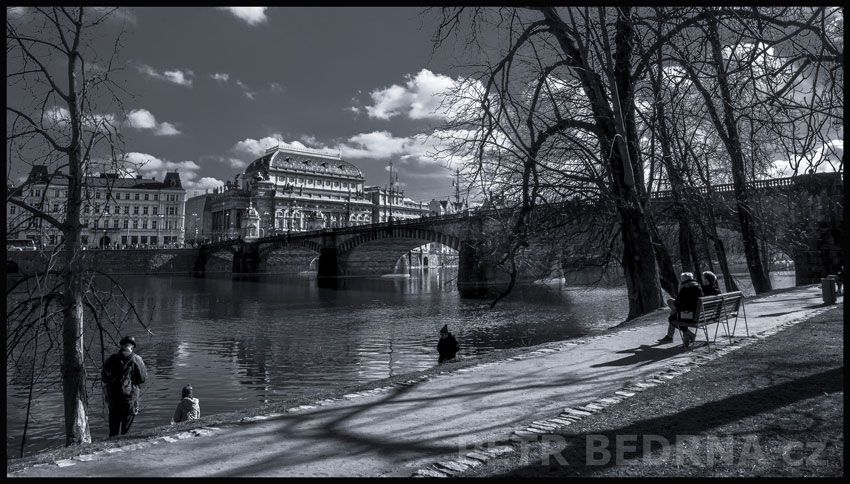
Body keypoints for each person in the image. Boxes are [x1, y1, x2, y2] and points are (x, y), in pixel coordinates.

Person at [101, 336, 148, 437]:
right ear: (132, 346)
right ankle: (122, 448)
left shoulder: (111, 359)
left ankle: (109, 449)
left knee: (113, 430)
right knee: (126, 431)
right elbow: (142, 379)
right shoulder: (136, 359)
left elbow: (104, 378)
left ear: (121, 346)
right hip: (130, 399)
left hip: (113, 398)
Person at [657, 272, 704, 348]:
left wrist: (673, 305)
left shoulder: (685, 288)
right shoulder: (698, 288)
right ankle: (673, 336)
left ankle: (690, 335)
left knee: (672, 318)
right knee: (674, 312)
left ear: (683, 280)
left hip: (690, 315)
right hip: (700, 315)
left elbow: (678, 304)